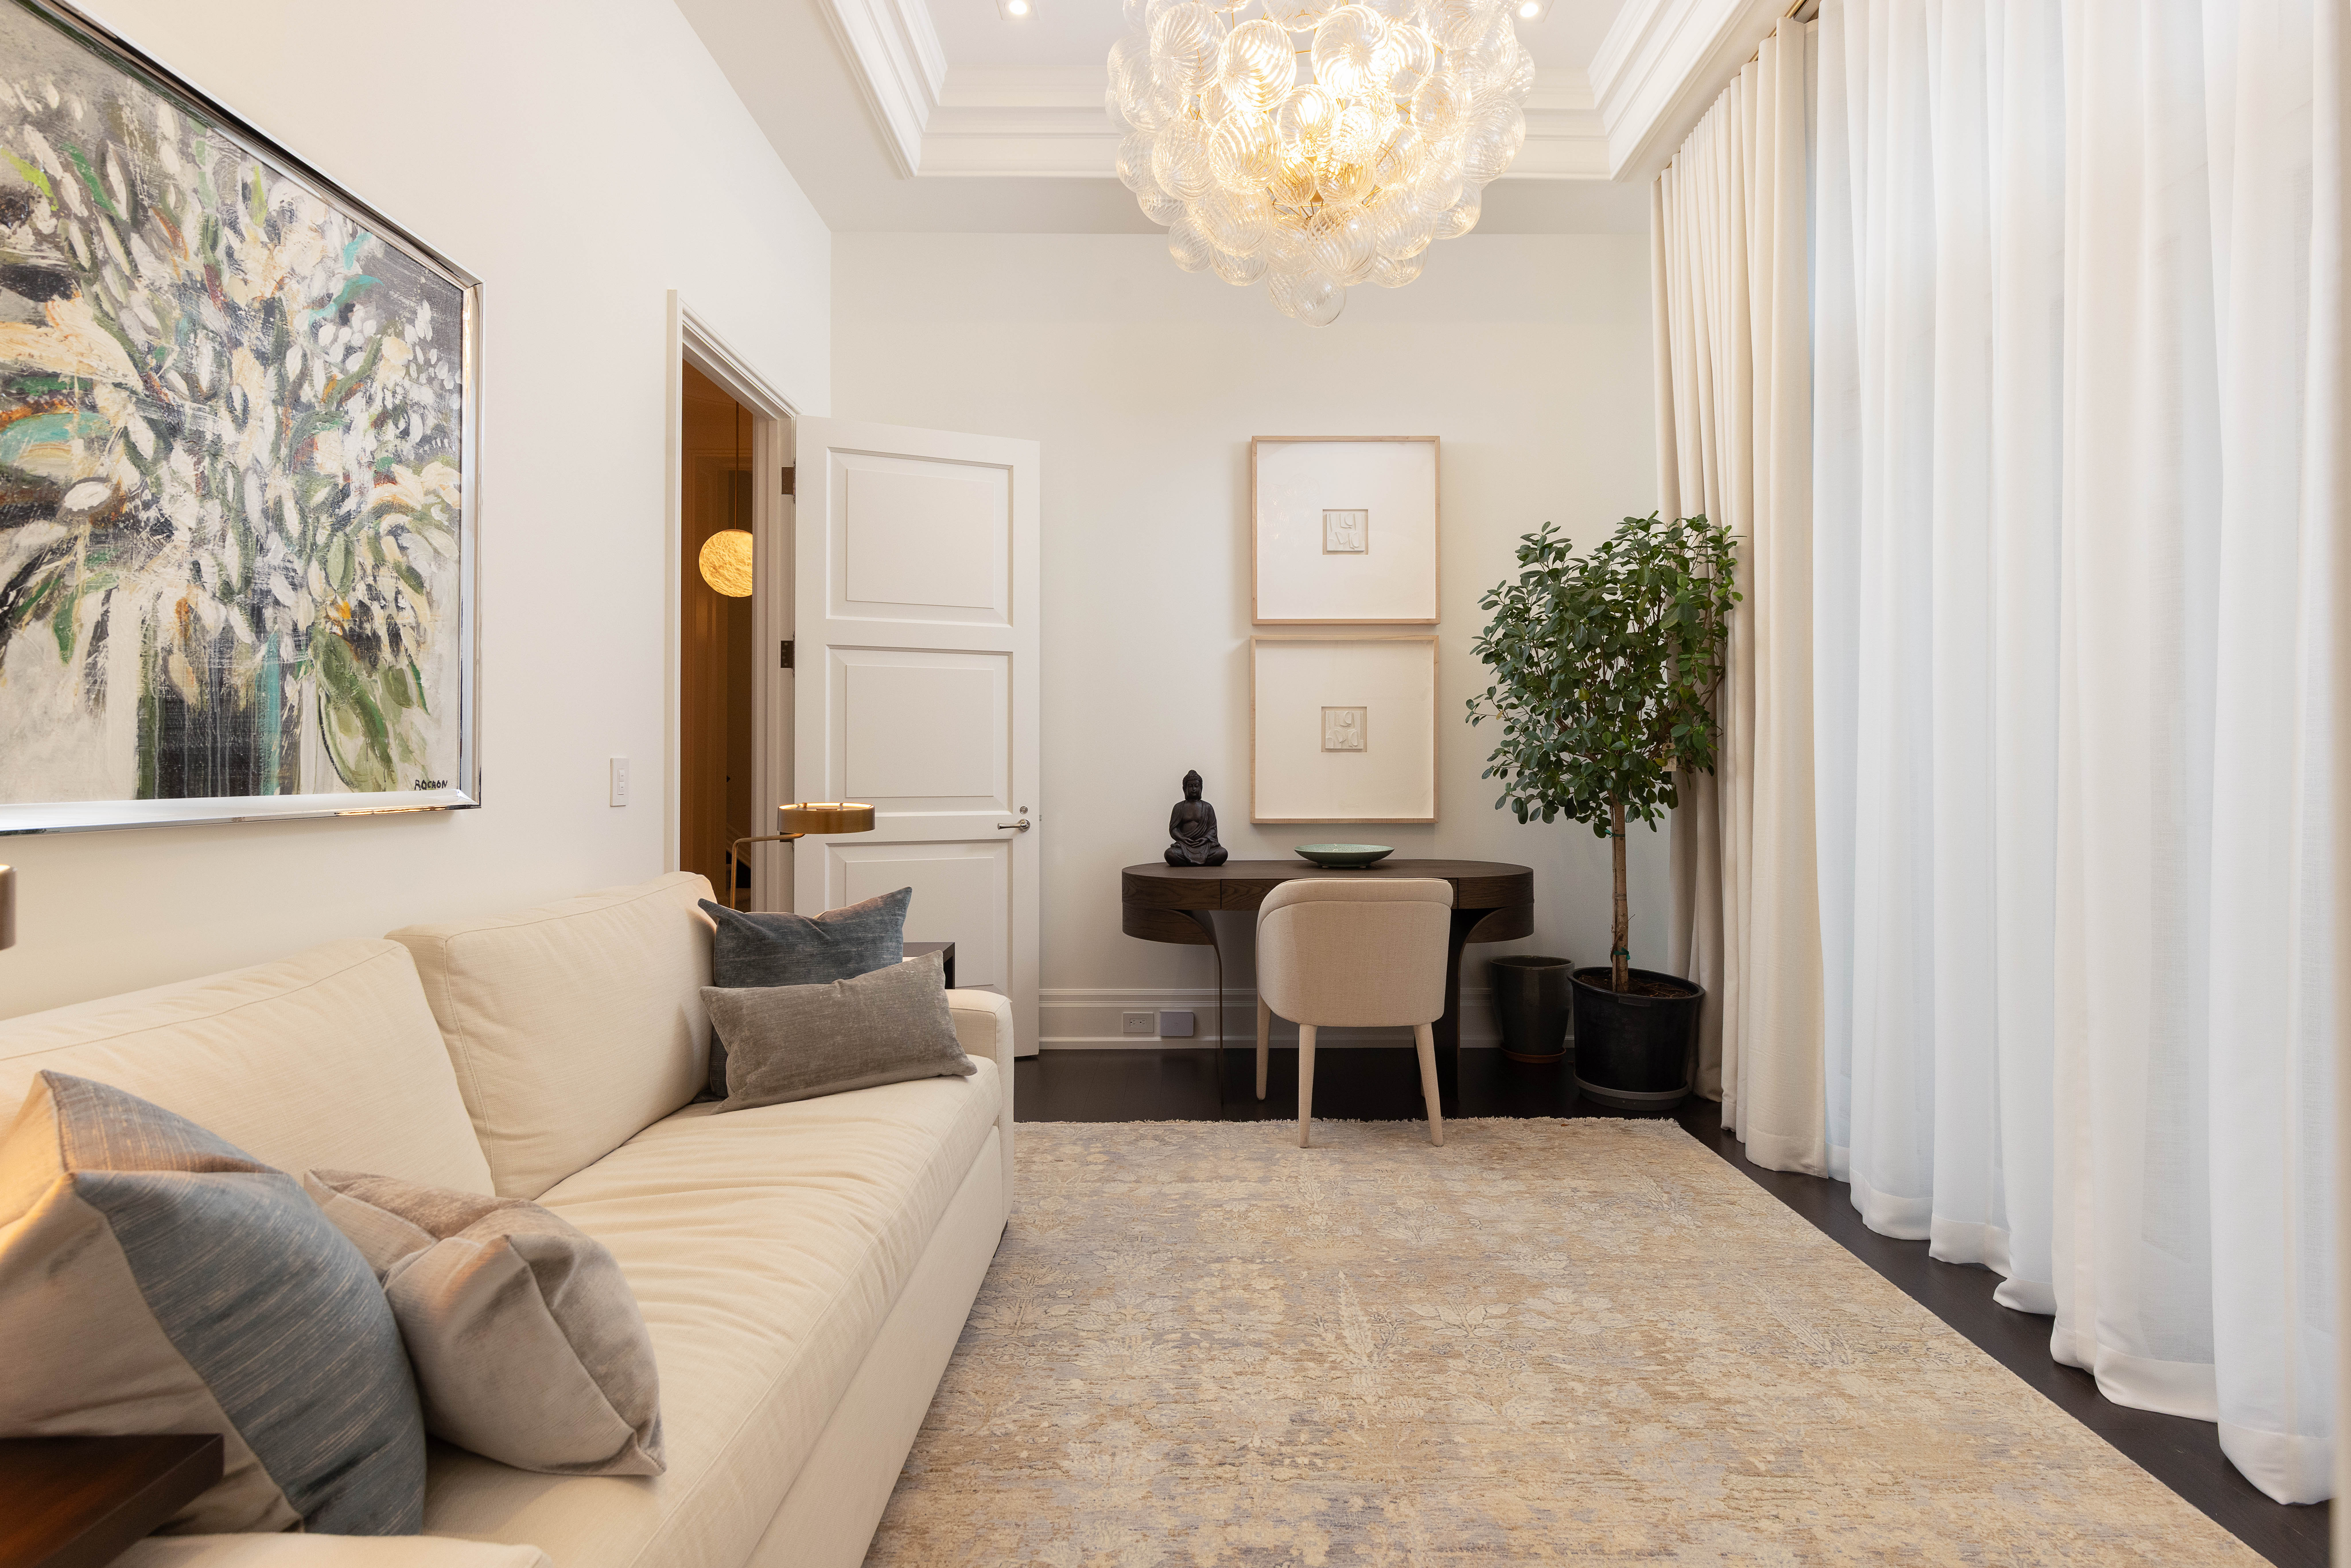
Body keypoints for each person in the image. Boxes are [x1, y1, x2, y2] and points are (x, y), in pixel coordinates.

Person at [1164, 769, 1228, 866]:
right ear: (1184, 789)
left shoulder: (1208, 807)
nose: (1194, 789)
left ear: (1201, 788)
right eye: (1191, 786)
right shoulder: (1179, 807)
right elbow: (1174, 829)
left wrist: (1206, 839)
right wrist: (1182, 839)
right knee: (1170, 854)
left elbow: (1213, 829)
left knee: (1222, 853)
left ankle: (1189, 863)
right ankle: (1199, 862)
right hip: (1185, 845)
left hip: (1204, 846)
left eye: (1197, 786)